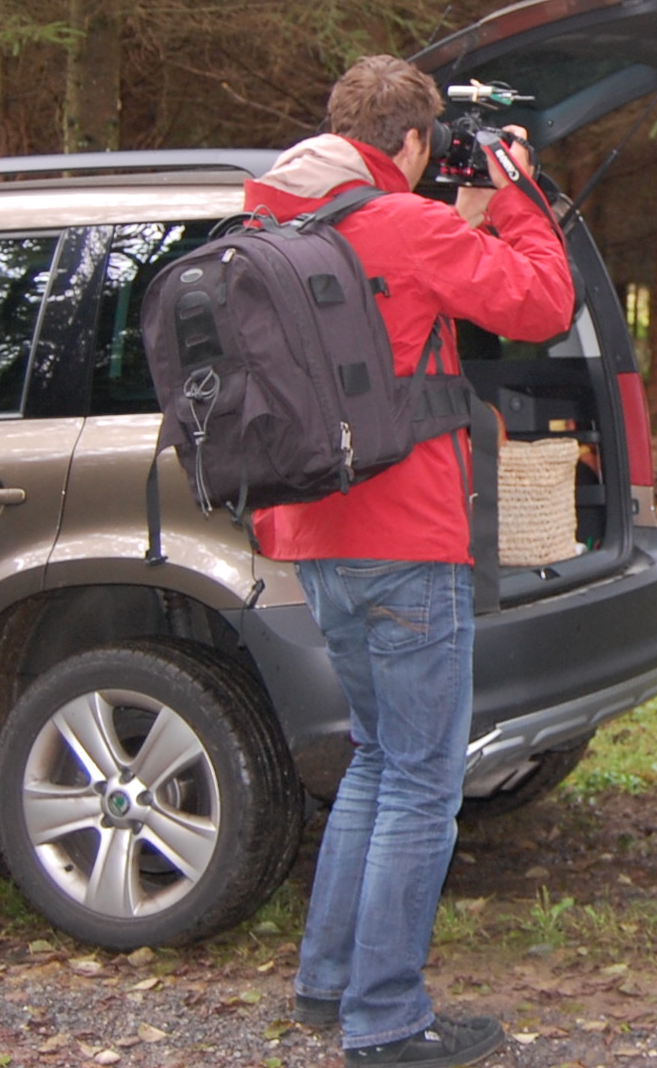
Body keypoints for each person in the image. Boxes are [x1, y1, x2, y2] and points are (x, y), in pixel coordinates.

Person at [246, 55, 574, 1068]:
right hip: (407, 537)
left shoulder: (275, 227)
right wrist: (515, 196)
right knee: (425, 781)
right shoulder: (408, 227)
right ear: (412, 143)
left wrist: (461, 216)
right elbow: (540, 304)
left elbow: (392, 310)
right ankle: (385, 1017)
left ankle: (330, 977)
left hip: (316, 537)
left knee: (379, 760)